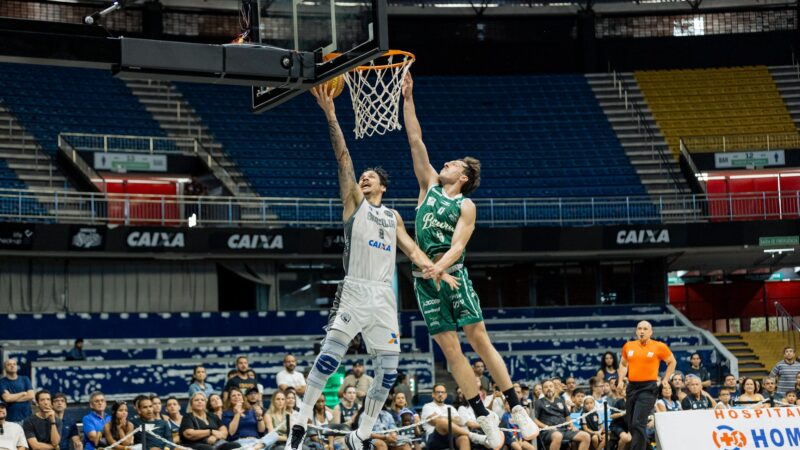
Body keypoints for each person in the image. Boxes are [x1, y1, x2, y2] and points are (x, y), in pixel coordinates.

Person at [288, 84, 458, 450]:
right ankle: (299, 423)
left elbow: (412, 249)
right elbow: (344, 159)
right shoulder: (355, 205)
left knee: (389, 371)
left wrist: (437, 268)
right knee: (329, 359)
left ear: (382, 185)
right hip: (355, 289)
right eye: (362, 176)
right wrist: (332, 115)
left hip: (383, 296)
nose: (363, 178)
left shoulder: (393, 215)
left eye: (370, 176)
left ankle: (361, 434)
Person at [401, 73, 539, 449]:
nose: (444, 162)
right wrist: (408, 99)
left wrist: (439, 266)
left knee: (478, 340)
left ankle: (516, 405)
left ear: (463, 176)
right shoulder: (428, 185)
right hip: (424, 280)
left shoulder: (465, 204)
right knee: (450, 351)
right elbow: (415, 139)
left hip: (453, 275)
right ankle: (482, 415)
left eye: (453, 163)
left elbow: (459, 247)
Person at [615, 321, 676, 450]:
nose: (642, 331)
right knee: (632, 425)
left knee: (638, 423)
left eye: (645, 329)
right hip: (631, 387)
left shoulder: (659, 346)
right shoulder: (628, 346)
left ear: (651, 332)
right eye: (639, 328)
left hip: (648, 388)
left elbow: (672, 362)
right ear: (636, 331)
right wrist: (620, 380)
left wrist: (665, 379)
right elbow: (623, 364)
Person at [420, 384, 488, 450]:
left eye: (442, 392)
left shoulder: (450, 407)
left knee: (464, 438)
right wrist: (449, 419)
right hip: (435, 437)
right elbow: (435, 421)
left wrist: (441, 417)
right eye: (438, 392)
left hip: (452, 436)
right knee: (441, 422)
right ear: (433, 394)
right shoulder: (427, 406)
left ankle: (472, 436)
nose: (440, 394)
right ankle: (472, 435)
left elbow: (459, 421)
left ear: (446, 395)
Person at [532, 380, 590, 450]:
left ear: (554, 388)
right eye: (546, 387)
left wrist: (571, 426)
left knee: (586, 436)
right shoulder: (538, 402)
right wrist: (546, 427)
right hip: (547, 431)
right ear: (543, 390)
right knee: (558, 436)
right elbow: (534, 419)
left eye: (551, 386)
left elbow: (567, 416)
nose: (549, 388)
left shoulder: (560, 401)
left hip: (564, 430)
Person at [0, 359, 34, 424]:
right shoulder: (2, 382)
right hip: (11, 419)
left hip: (27, 418)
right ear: (5, 368)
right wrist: (23, 393)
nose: (12, 366)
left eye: (14, 364)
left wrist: (12, 397)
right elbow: (7, 398)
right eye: (9, 364)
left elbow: (31, 396)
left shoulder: (25, 379)